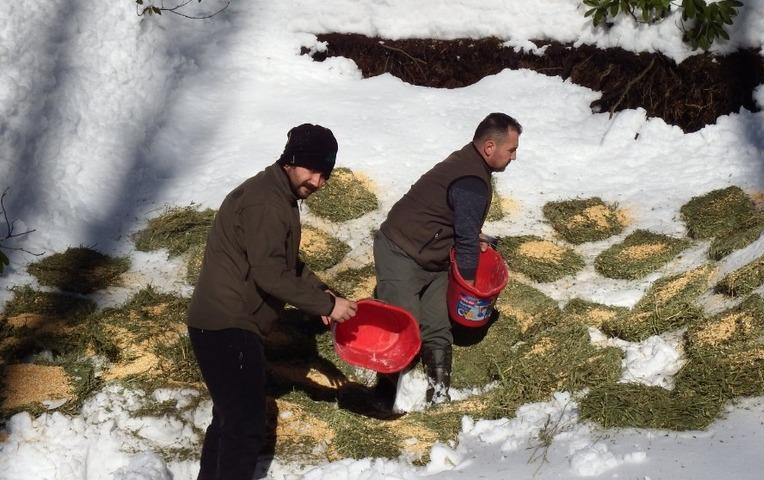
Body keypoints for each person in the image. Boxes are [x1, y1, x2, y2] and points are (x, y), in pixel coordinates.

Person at [186, 123, 358, 480]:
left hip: (228, 321)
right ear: (292, 161)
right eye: (313, 170)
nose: (319, 182)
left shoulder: (278, 196)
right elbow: (271, 275)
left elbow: (287, 264)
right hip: (227, 324)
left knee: (231, 419)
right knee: (246, 426)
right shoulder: (267, 202)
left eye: (325, 174)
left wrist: (323, 292)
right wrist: (327, 307)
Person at [373, 112, 521, 407]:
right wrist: (467, 282)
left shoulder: (470, 164)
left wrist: (473, 239)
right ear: (490, 147)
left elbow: (458, 221)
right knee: (405, 323)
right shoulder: (471, 180)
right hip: (402, 249)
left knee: (437, 325)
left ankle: (439, 392)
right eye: (511, 150)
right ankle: (383, 395)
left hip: (433, 253)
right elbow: (465, 236)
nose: (514, 157)